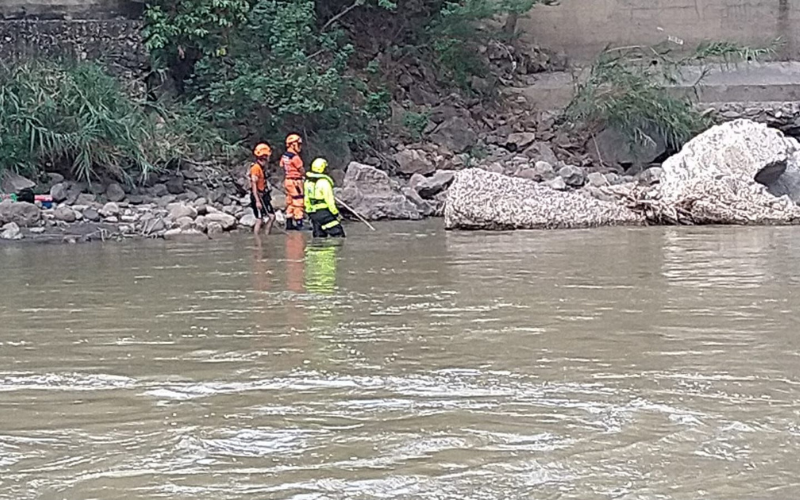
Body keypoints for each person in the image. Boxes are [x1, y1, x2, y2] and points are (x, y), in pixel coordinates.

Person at [304, 158, 345, 238]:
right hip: (324, 212)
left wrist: (309, 211)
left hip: (313, 214)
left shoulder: (308, 182)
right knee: (338, 235)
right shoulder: (324, 182)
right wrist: (335, 213)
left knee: (319, 237)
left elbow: (306, 198)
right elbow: (329, 200)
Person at [281, 133, 305, 231]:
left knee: (290, 202)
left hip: (288, 181)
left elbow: (282, 165)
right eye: (298, 144)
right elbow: (301, 169)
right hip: (295, 182)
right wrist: (304, 175)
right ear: (292, 144)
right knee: (298, 201)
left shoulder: (285, 156)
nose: (300, 146)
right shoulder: (295, 157)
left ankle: (289, 222)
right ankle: (299, 223)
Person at [250, 143, 276, 235]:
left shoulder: (262, 167)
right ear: (264, 156)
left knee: (272, 216)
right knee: (259, 219)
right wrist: (257, 200)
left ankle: (266, 236)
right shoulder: (255, 168)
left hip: (264, 196)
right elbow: (254, 184)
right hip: (258, 196)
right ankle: (257, 238)